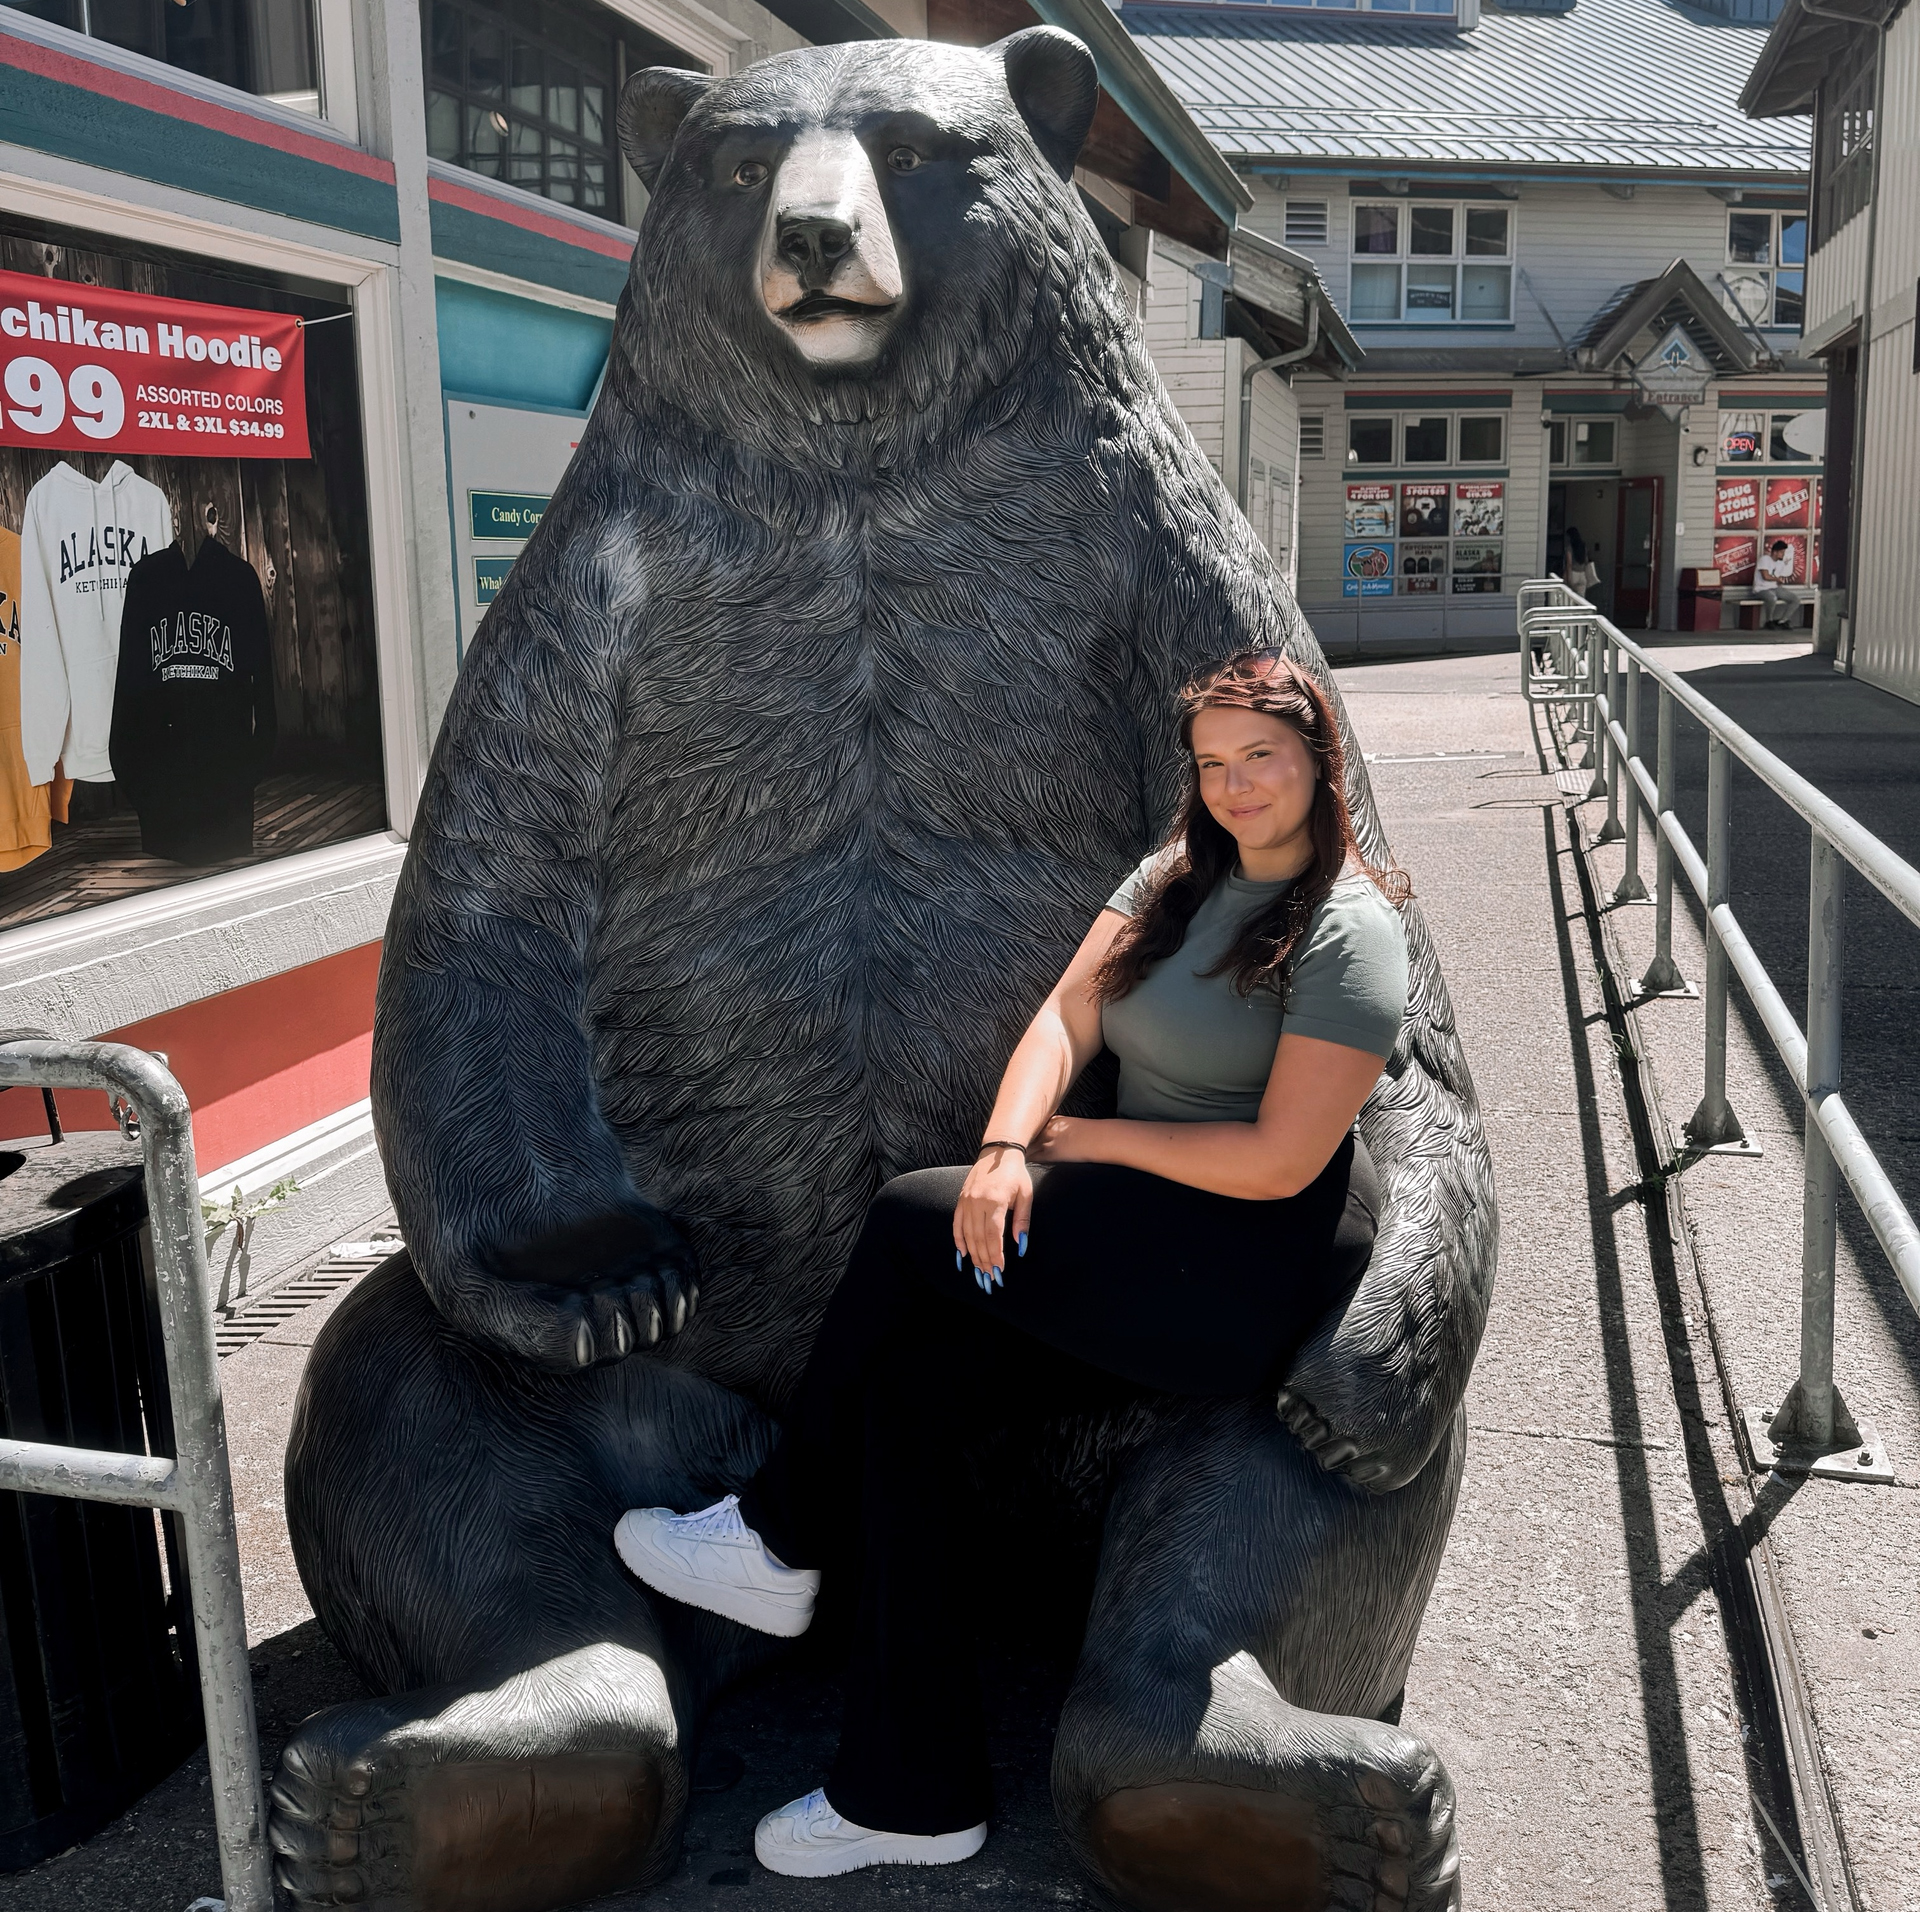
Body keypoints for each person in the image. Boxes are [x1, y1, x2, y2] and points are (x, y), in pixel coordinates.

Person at [613, 650, 1412, 1879]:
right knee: (909, 1396)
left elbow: (1277, 1160)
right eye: (1213, 762)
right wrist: (1000, 1147)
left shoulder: (1351, 930)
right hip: (1133, 1224)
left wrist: (1073, 1139)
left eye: (1263, 755)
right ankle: (911, 1792)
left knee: (899, 1219)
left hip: (1241, 1269)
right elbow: (1062, 1017)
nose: (1237, 784)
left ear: (1320, 758)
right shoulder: (1174, 878)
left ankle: (778, 1531)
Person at [1757, 539, 1800, 627]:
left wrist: (1779, 582)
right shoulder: (1765, 559)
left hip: (1775, 587)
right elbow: (1765, 576)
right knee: (1772, 598)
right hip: (1761, 588)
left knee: (1795, 599)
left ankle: (1783, 620)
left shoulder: (1780, 564)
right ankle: (1769, 620)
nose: (1783, 554)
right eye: (1781, 552)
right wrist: (1777, 579)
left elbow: (1777, 579)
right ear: (1775, 552)